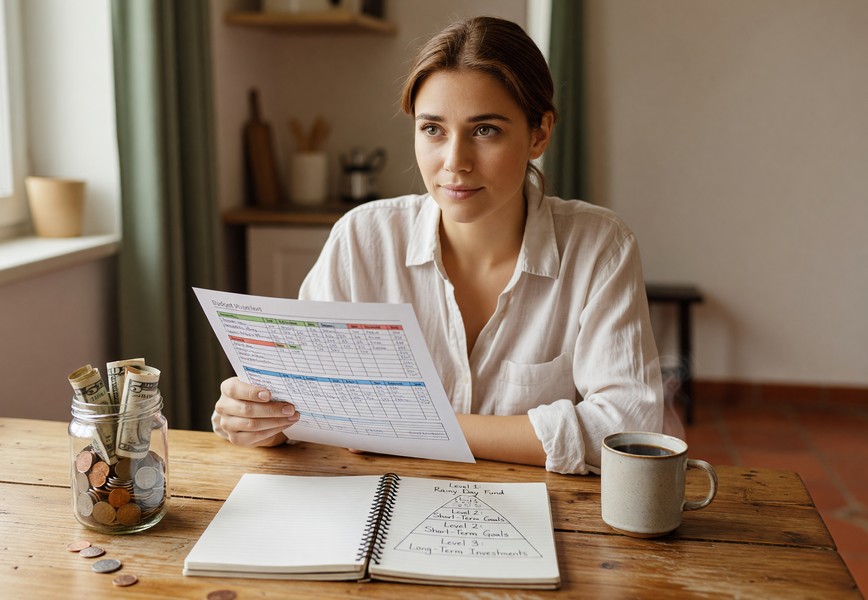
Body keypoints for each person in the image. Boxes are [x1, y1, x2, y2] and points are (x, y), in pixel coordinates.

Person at [212, 16, 663, 474]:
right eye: (433, 129)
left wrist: (407, 428)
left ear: (539, 133)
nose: (455, 163)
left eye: (485, 130)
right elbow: (305, 403)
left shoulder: (600, 247)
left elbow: (627, 428)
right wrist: (260, 419)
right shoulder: (362, 239)